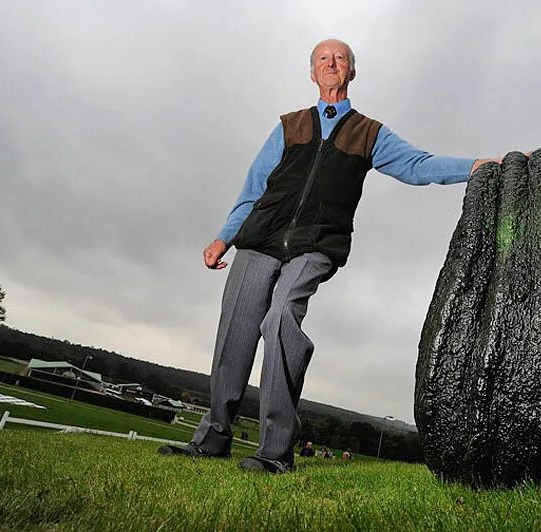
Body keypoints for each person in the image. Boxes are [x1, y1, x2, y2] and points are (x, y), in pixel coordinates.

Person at [158, 38, 504, 473]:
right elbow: (254, 189)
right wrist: (223, 238)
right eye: (323, 58)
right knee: (237, 330)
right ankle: (212, 439)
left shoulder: (369, 133)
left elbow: (419, 166)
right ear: (312, 72)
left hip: (317, 244)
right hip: (261, 236)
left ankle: (274, 452)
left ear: (351, 72)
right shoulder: (289, 125)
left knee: (281, 317)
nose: (331, 63)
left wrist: (481, 166)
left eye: (340, 58)